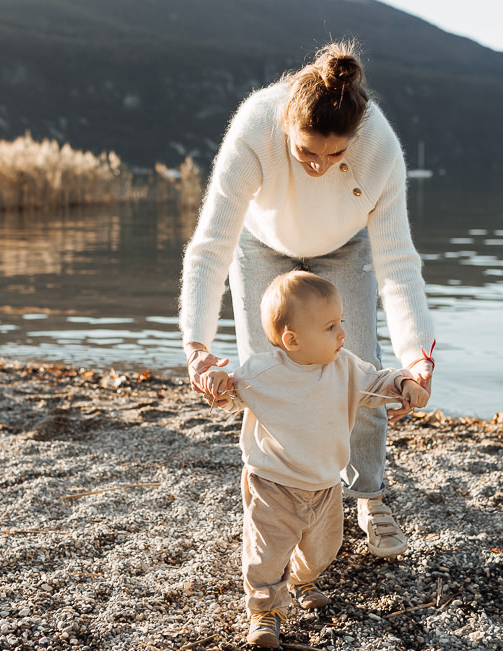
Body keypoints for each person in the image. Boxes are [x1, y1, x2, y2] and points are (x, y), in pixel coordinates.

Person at [179, 40, 436, 560]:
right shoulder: (256, 126)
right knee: (268, 377)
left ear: (355, 139)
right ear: (287, 129)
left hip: (345, 246)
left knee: (360, 366)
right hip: (262, 245)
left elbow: (398, 263)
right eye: (306, 152)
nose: (319, 166)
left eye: (335, 154)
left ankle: (368, 494)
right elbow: (211, 247)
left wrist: (418, 358)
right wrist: (197, 345)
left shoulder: (379, 148)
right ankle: (276, 496)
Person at [199, 271, 430, 647]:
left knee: (324, 549)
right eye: (330, 327)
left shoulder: (345, 367)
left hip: (325, 483)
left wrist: (405, 384)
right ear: (292, 340)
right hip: (272, 483)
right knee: (267, 554)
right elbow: (229, 395)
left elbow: (378, 380)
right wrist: (216, 383)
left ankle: (302, 579)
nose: (342, 334)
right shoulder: (263, 371)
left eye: (341, 323)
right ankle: (265, 612)